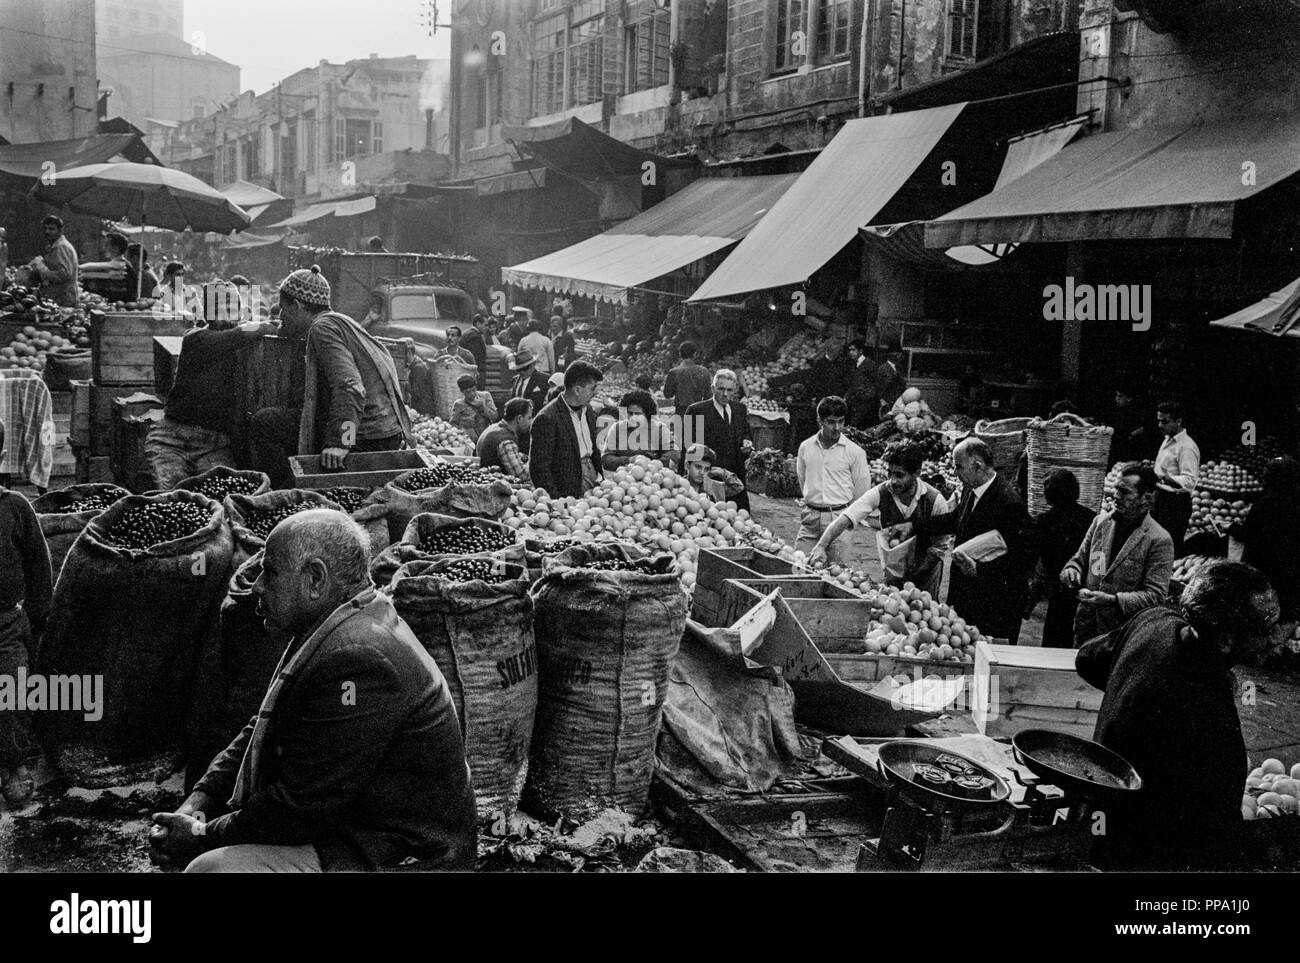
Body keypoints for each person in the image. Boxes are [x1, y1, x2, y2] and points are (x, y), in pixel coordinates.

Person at [150, 511, 477, 872]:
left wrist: (198, 835)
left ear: (315, 579)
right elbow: (258, 729)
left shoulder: (360, 658)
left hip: (403, 856)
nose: (257, 586)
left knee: (213, 869)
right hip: (357, 832)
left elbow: (295, 809)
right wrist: (196, 805)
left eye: (270, 572)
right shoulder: (339, 623)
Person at [1076, 560, 1278, 871]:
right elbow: (1217, 837)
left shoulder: (1155, 621)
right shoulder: (1208, 714)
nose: (1277, 637)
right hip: (1141, 855)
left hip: (1097, 818)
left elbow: (1088, 660)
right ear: (1225, 640)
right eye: (1265, 628)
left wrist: (1134, 696)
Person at [249, 266, 413, 488]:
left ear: (297, 306)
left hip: (365, 437)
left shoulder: (322, 329)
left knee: (265, 423)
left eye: (283, 309)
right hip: (385, 431)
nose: (280, 316)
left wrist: (340, 442)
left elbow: (351, 387)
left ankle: (289, 494)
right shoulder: (340, 321)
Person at [887, 437, 1028, 642]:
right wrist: (914, 526)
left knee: (988, 662)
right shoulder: (973, 490)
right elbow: (956, 519)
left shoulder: (1009, 502)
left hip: (992, 603)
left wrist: (980, 571)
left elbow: (1021, 558)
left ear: (977, 466)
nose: (955, 473)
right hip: (970, 595)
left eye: (959, 467)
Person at [145, 309, 277, 490]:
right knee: (173, 493)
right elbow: (234, 336)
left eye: (234, 310)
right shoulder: (195, 338)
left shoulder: (239, 349)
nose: (230, 317)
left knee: (221, 492)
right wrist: (266, 326)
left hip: (214, 446)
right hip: (171, 440)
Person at [1060, 463, 1173, 647]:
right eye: (1116, 490)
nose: (1116, 496)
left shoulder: (1159, 540)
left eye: (1125, 492)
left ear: (1146, 498)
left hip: (1122, 637)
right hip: (1086, 629)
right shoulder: (1100, 522)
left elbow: (1155, 595)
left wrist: (1113, 601)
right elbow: (1078, 560)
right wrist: (1072, 571)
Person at [811, 440, 951, 582]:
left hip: (926, 575)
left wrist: (918, 572)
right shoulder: (882, 492)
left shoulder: (935, 501)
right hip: (893, 573)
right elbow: (847, 516)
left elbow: (940, 546)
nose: (892, 481)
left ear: (916, 474)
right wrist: (821, 545)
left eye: (899, 475)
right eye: (889, 474)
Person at [0, 430, 52, 807]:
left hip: (5, 623)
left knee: (13, 696)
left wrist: (37, 616)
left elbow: (38, 564)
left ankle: (13, 765)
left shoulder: (15, 507)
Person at [1024, 468, 1098, 648]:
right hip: (1084, 588)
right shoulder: (1091, 518)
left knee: (1053, 644)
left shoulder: (1045, 520)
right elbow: (1097, 557)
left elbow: (1038, 562)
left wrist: (1031, 597)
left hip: (1057, 589)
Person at [793, 396, 870, 564]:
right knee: (798, 569)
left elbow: (862, 494)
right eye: (831, 422)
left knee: (837, 577)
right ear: (819, 420)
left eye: (841, 422)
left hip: (839, 520)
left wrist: (846, 518)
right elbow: (803, 480)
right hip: (810, 520)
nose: (837, 428)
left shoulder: (855, 452)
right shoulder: (806, 447)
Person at [1229, 455, 1300, 634]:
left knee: (1261, 613)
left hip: (1265, 567)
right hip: (1289, 569)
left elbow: (1248, 533)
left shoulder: (1264, 505)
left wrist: (1231, 527)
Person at [529, 360, 603, 499]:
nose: (596, 393)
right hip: (567, 489)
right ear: (577, 390)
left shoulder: (588, 410)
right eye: (592, 388)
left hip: (593, 485)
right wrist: (557, 500)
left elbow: (595, 449)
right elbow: (539, 468)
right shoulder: (547, 418)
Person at [684, 368, 753, 513]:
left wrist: (747, 444)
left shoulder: (740, 409)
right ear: (713, 388)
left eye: (729, 390)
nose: (725, 394)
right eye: (721, 389)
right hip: (707, 479)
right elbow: (687, 448)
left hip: (734, 479)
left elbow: (746, 433)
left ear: (735, 390)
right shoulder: (696, 410)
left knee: (739, 519)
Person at [1151, 400, 1200, 555]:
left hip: (1174, 504)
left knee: (1168, 547)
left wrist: (1166, 478)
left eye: (1165, 421)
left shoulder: (1186, 447)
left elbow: (1190, 481)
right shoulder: (1167, 439)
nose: (1160, 425)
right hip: (1161, 499)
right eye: (1158, 420)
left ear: (1178, 421)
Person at [600, 389, 675, 471]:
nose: (633, 417)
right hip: (623, 478)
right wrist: (629, 460)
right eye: (630, 413)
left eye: (638, 414)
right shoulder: (617, 428)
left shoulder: (659, 429)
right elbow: (606, 458)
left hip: (653, 477)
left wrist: (653, 464)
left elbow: (673, 453)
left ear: (647, 414)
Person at [476, 398, 533, 484]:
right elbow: (522, 475)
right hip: (496, 489)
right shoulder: (506, 441)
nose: (531, 422)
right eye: (529, 418)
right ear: (519, 418)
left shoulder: (495, 427)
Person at [30, 215, 79, 306]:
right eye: (45, 228)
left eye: (51, 229)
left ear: (60, 231)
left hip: (63, 299)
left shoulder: (62, 247)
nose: (47, 231)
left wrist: (42, 269)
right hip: (56, 298)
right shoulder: (53, 246)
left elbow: (64, 274)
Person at [662, 342, 712, 418]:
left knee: (680, 430)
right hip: (698, 412)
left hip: (680, 413)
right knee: (697, 430)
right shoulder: (704, 371)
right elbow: (708, 396)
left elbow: (667, 394)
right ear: (695, 354)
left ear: (680, 354)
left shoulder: (674, 372)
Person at [448, 373, 497, 442]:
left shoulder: (485, 396)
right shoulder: (459, 404)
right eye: (468, 392)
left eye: (473, 390)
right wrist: (464, 431)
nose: (472, 394)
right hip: (469, 440)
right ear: (462, 392)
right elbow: (453, 424)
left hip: (486, 436)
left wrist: (483, 407)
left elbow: (494, 416)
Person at [844, 341, 879, 430]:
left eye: (853, 350)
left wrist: (866, 398)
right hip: (854, 404)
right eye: (849, 350)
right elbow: (852, 384)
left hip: (865, 405)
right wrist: (846, 397)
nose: (850, 352)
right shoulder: (852, 364)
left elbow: (875, 385)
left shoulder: (870, 365)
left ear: (860, 351)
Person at [1108, 385, 1147, 464]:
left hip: (1130, 452)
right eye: (1117, 396)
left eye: (1120, 396)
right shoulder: (1119, 412)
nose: (1116, 399)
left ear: (1129, 398)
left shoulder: (1136, 414)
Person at [507, 347, 550, 417]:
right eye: (519, 369)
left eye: (525, 368)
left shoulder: (544, 379)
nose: (522, 372)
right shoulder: (515, 380)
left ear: (533, 364)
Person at [874, 345, 906, 418]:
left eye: (900, 354)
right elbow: (877, 388)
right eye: (897, 353)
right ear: (890, 355)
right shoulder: (882, 369)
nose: (899, 356)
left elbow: (902, 385)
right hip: (886, 405)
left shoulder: (899, 368)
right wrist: (881, 401)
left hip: (898, 404)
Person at [461, 314, 490, 382]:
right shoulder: (475, 337)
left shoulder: (468, 333)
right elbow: (475, 357)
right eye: (485, 325)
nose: (487, 328)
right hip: (475, 372)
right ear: (478, 324)